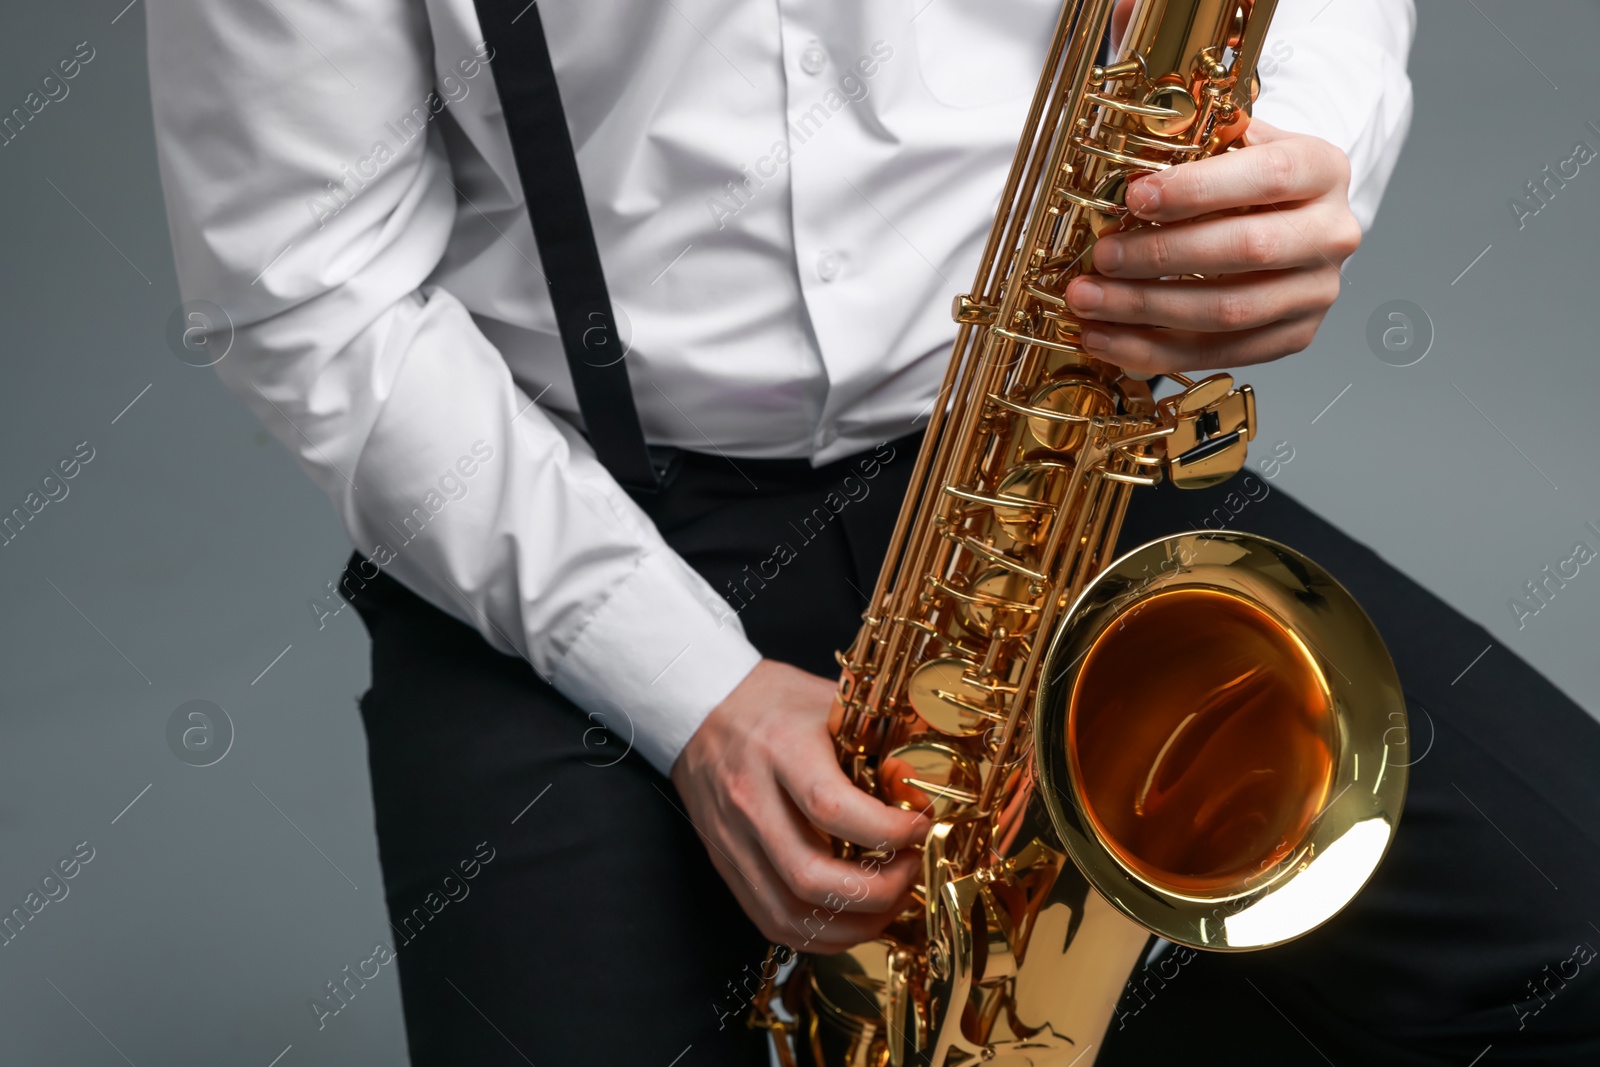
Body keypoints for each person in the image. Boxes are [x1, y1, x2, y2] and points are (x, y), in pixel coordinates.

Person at [147, 0, 1600, 1063]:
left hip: (1036, 444)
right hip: (552, 500)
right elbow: (310, 294)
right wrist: (689, 698)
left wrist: (1287, 160)